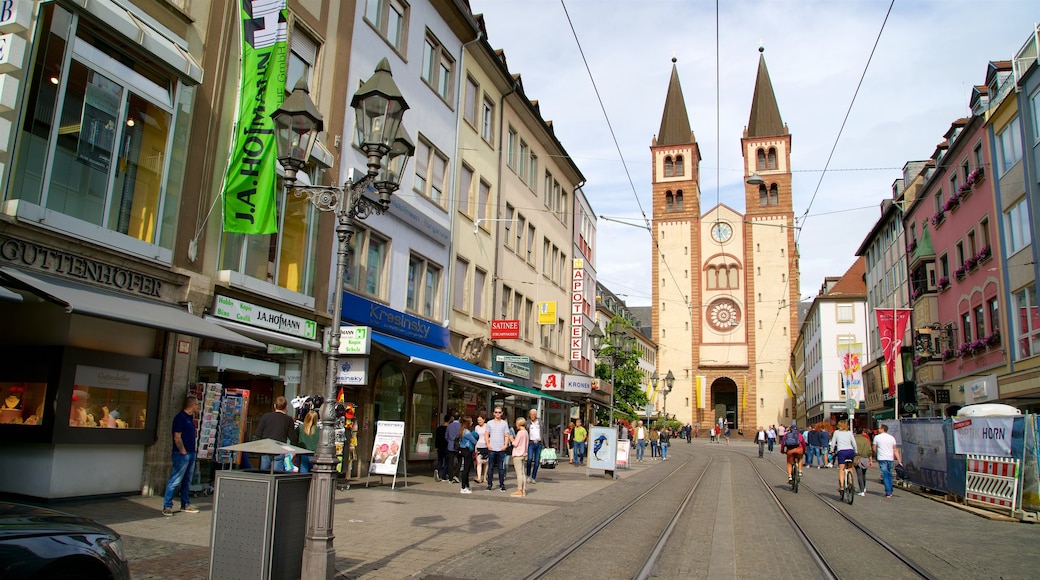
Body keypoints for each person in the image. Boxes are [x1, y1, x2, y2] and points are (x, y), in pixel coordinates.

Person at [162, 396, 200, 516]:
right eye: (197, 405)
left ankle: (185, 504)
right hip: (182, 454)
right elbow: (177, 437)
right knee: (176, 479)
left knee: (186, 480)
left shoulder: (190, 418)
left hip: (191, 452)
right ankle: (167, 506)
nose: (197, 407)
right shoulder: (180, 418)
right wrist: (183, 451)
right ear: (192, 405)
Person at [254, 396, 300, 471]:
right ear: (286, 407)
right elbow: (293, 437)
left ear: (274, 406)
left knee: (264, 473)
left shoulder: (266, 416)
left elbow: (258, 433)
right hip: (279, 448)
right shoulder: (288, 419)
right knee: (277, 473)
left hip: (266, 448)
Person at [873, 423, 902, 498]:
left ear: (883, 429)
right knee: (889, 474)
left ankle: (888, 491)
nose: (878, 429)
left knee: (885, 474)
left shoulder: (877, 437)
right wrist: (899, 461)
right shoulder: (891, 438)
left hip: (882, 458)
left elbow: (874, 448)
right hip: (890, 458)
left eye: (879, 428)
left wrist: (876, 454)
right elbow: (895, 449)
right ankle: (890, 489)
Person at [829, 419, 858, 496]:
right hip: (850, 451)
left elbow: (833, 443)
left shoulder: (836, 433)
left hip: (841, 451)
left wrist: (831, 451)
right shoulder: (849, 433)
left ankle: (842, 487)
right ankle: (851, 483)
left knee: (841, 469)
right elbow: (854, 443)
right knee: (850, 467)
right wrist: (856, 451)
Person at [484, 407, 509, 492]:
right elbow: (486, 434)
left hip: (501, 448)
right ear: (493, 413)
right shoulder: (489, 423)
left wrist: (505, 445)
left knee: (501, 468)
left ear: (502, 413)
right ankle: (489, 484)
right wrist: (487, 444)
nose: (498, 414)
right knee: (490, 467)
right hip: (492, 447)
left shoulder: (504, 424)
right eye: (496, 412)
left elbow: (506, 435)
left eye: (499, 412)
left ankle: (502, 484)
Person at [457, 417, 478, 494]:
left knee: (467, 468)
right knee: (466, 469)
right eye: (471, 421)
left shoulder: (462, 430)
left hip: (463, 450)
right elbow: (474, 441)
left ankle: (466, 486)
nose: (472, 422)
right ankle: (463, 487)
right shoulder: (467, 432)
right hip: (467, 450)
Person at [511, 417, 529, 497]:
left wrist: (511, 439)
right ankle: (524, 489)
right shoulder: (526, 432)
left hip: (518, 454)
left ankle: (519, 490)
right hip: (524, 454)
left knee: (519, 473)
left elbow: (515, 443)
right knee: (523, 473)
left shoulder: (520, 432)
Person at [526, 408, 544, 484]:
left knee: (537, 461)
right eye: (531, 414)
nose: (532, 416)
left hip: (539, 443)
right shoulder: (528, 423)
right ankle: (528, 475)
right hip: (531, 443)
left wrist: (546, 444)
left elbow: (543, 432)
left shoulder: (540, 422)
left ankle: (533, 477)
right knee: (529, 459)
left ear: (536, 415)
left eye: (533, 414)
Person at [854, 427, 873, 496]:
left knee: (859, 474)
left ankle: (862, 490)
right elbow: (869, 451)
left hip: (857, 458)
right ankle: (864, 487)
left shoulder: (854, 439)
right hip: (865, 458)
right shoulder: (866, 440)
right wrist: (870, 460)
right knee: (864, 474)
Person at [446, 411, 462, 484]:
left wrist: (450, 441)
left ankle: (450, 478)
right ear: (459, 418)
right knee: (459, 461)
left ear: (453, 418)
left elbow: (446, 436)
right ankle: (456, 474)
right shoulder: (461, 426)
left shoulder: (449, 426)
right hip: (459, 445)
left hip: (450, 445)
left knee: (450, 462)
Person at [474, 413, 489, 484]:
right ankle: (479, 477)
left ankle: (485, 477)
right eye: (478, 420)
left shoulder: (487, 426)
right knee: (479, 462)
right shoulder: (476, 427)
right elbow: (475, 437)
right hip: (478, 445)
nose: (479, 421)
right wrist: (475, 447)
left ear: (484, 419)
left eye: (480, 420)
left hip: (486, 446)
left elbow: (490, 435)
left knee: (486, 462)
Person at [434, 414, 450, 482]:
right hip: (446, 446)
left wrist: (436, 446)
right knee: (446, 461)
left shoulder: (439, 428)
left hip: (439, 446)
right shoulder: (448, 428)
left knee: (440, 460)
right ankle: (444, 476)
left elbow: (436, 438)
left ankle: (437, 469)